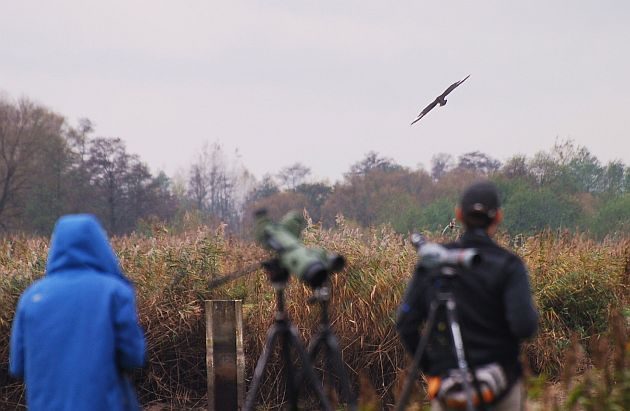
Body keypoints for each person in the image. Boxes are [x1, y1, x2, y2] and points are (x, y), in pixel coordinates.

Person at [396, 181, 538, 411]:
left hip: (449, 390)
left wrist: (433, 369)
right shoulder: (509, 266)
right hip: (501, 387)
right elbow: (525, 327)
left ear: (459, 215)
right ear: (498, 217)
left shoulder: (435, 262)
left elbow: (405, 324)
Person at [9, 214, 146, 411]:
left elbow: (17, 366)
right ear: (99, 245)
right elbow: (133, 357)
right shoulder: (114, 292)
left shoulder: (31, 298)